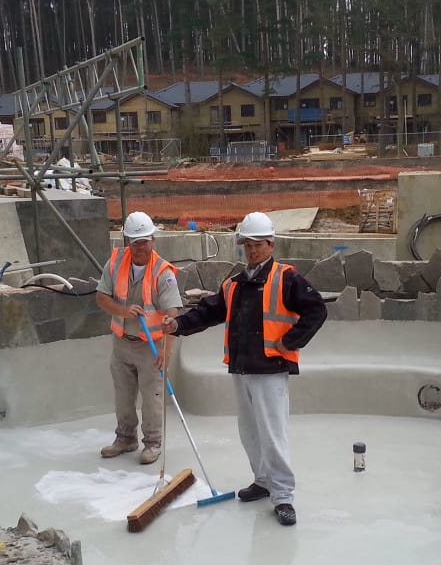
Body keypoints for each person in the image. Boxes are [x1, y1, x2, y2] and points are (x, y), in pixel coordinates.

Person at [164, 211, 327, 526]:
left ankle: (283, 497)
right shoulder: (235, 283)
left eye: (258, 245)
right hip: (241, 366)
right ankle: (263, 481)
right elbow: (210, 311)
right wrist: (178, 324)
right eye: (247, 246)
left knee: (273, 433)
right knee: (249, 431)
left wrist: (290, 341)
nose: (252, 251)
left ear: (271, 244)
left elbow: (316, 310)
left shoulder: (286, 278)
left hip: (270, 368)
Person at [96, 211, 182, 465]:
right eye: (136, 241)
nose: (141, 246)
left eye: (145, 241)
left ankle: (153, 442)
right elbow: (101, 297)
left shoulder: (162, 272)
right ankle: (125, 438)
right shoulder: (114, 264)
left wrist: (167, 348)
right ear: (128, 242)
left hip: (151, 347)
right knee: (123, 395)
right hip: (122, 343)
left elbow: (173, 312)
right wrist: (123, 311)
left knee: (152, 397)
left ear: (153, 240)